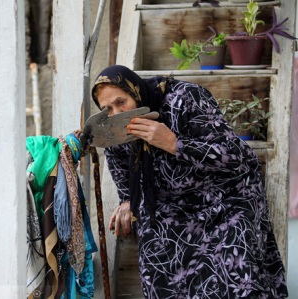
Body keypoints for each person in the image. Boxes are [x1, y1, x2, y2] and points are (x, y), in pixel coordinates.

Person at [90, 64, 288, 298]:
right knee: (156, 257)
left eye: (121, 102)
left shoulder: (185, 99)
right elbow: (117, 160)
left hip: (223, 198)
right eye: (107, 109)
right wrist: (126, 199)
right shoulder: (115, 127)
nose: (116, 113)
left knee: (233, 255)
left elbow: (237, 157)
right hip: (170, 207)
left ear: (135, 92)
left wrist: (174, 144)